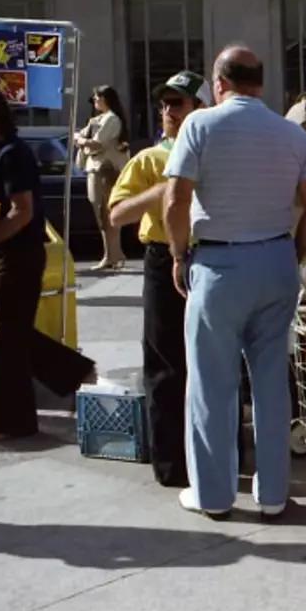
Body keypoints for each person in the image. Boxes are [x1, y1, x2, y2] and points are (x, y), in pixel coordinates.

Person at [164, 47, 306, 520]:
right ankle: (273, 492)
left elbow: (175, 201)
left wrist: (178, 253)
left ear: (218, 83)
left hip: (219, 263)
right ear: (261, 82)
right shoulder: (290, 133)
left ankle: (213, 495)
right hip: (276, 258)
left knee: (212, 384)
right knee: (272, 381)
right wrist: (294, 250)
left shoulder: (200, 125)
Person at [0, 88, 96, 443]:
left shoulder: (12, 154)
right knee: (10, 334)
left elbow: (23, 212)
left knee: (6, 340)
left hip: (19, 257)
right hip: (4, 256)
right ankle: (74, 371)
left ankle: (10, 422)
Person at [108, 70, 210, 488]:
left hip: (210, 255)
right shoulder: (150, 159)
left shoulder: (217, 151)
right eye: (164, 104)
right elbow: (116, 215)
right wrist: (166, 190)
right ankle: (172, 462)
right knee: (167, 363)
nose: (168, 111)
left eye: (178, 103)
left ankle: (222, 453)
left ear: (200, 109)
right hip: (161, 257)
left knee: (213, 363)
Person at [75, 85, 130, 271]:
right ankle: (115, 253)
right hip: (96, 168)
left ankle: (111, 255)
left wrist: (80, 140)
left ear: (107, 99)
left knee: (105, 212)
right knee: (102, 212)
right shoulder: (97, 119)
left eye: (98, 97)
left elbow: (96, 143)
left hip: (105, 169)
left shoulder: (112, 119)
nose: (95, 101)